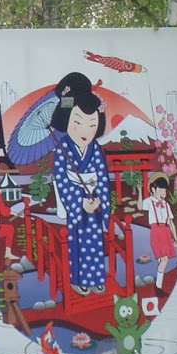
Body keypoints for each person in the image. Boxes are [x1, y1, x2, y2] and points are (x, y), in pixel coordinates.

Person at [49, 76, 111, 297]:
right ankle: (79, 279)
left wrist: (99, 201)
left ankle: (96, 278)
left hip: (93, 201)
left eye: (92, 124)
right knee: (77, 242)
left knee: (95, 242)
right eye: (78, 122)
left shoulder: (95, 150)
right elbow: (62, 180)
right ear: (66, 120)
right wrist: (79, 201)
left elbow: (103, 177)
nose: (85, 130)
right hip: (77, 203)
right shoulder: (62, 149)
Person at [142, 174, 177, 274]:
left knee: (162, 260)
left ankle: (159, 284)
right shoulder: (149, 201)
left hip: (166, 232)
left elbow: (171, 222)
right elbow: (140, 206)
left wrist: (175, 238)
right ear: (154, 189)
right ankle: (158, 284)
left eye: (165, 191)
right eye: (161, 190)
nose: (163, 193)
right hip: (156, 231)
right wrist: (140, 191)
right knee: (164, 259)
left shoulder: (166, 205)